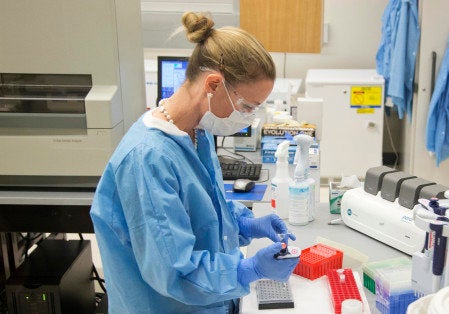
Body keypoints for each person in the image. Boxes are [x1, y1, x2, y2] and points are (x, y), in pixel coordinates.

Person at [90, 12, 299, 313]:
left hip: (209, 301)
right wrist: (248, 270)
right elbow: (174, 271)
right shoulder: (148, 159)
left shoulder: (195, 132)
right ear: (213, 85)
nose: (248, 118)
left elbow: (205, 212)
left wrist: (245, 223)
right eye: (246, 106)